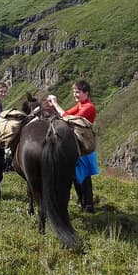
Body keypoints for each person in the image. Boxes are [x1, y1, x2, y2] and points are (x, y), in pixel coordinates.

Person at [47, 80, 99, 213]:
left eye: (78, 92)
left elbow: (68, 118)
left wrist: (56, 103)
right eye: (74, 92)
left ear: (86, 93)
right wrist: (53, 106)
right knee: (77, 175)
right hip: (78, 144)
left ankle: (88, 205)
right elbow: (65, 115)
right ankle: (83, 202)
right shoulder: (80, 105)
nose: (75, 94)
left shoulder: (89, 107)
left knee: (85, 177)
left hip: (84, 146)